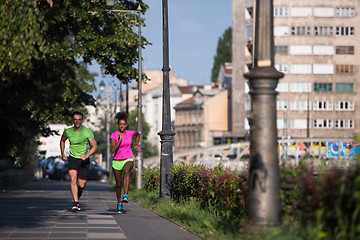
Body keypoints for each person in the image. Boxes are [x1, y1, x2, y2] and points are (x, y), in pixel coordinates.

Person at [60, 111, 97, 211]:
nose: (77, 121)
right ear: (73, 120)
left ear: (82, 120)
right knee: (73, 179)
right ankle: (76, 203)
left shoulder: (87, 131)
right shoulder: (68, 131)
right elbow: (62, 140)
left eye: (79, 120)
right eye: (75, 119)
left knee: (82, 184)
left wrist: (87, 155)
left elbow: (94, 146)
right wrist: (63, 153)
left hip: (84, 160)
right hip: (72, 158)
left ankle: (78, 194)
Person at [110, 112, 140, 213]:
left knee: (127, 170)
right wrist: (119, 140)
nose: (122, 126)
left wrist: (136, 144)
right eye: (120, 124)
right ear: (118, 125)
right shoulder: (114, 135)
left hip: (128, 158)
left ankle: (126, 195)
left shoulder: (130, 133)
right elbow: (112, 150)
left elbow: (137, 134)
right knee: (118, 184)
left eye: (124, 124)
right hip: (117, 161)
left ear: (126, 125)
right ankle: (119, 202)